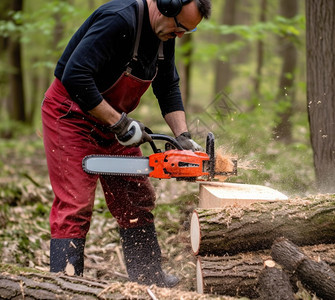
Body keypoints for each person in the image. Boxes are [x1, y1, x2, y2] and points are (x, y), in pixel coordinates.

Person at [41, 0, 211, 288]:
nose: (180, 35)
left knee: (135, 196)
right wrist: (119, 123)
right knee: (75, 204)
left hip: (112, 121)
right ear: (168, 5)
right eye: (180, 26)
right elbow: (75, 75)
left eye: (187, 31)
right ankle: (65, 285)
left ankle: (148, 278)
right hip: (71, 115)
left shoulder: (163, 35)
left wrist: (182, 137)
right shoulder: (119, 20)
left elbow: (168, 85)